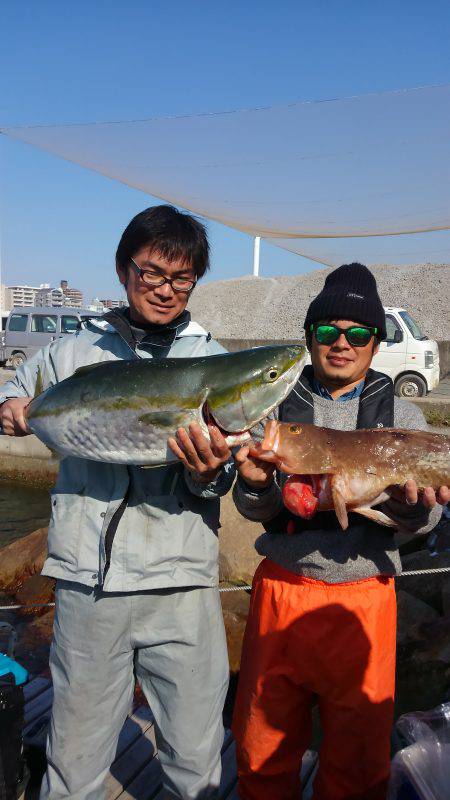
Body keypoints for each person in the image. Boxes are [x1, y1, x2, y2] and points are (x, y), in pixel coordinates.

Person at [0, 205, 235, 800]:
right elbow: (13, 388)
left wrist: (210, 475)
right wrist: (9, 405)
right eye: (151, 272)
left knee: (197, 758)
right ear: (122, 269)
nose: (164, 290)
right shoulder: (71, 354)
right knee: (73, 761)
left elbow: (222, 479)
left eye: (181, 279)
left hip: (181, 588)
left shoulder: (213, 362)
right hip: (87, 586)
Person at [232, 263, 449, 800]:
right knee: (261, 748)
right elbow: (251, 506)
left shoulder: (405, 418)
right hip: (282, 591)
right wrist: (256, 484)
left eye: (358, 333)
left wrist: (415, 510)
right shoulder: (275, 412)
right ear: (309, 339)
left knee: (357, 759)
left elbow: (426, 521)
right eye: (328, 331)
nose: (342, 344)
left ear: (376, 345)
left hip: (365, 600)